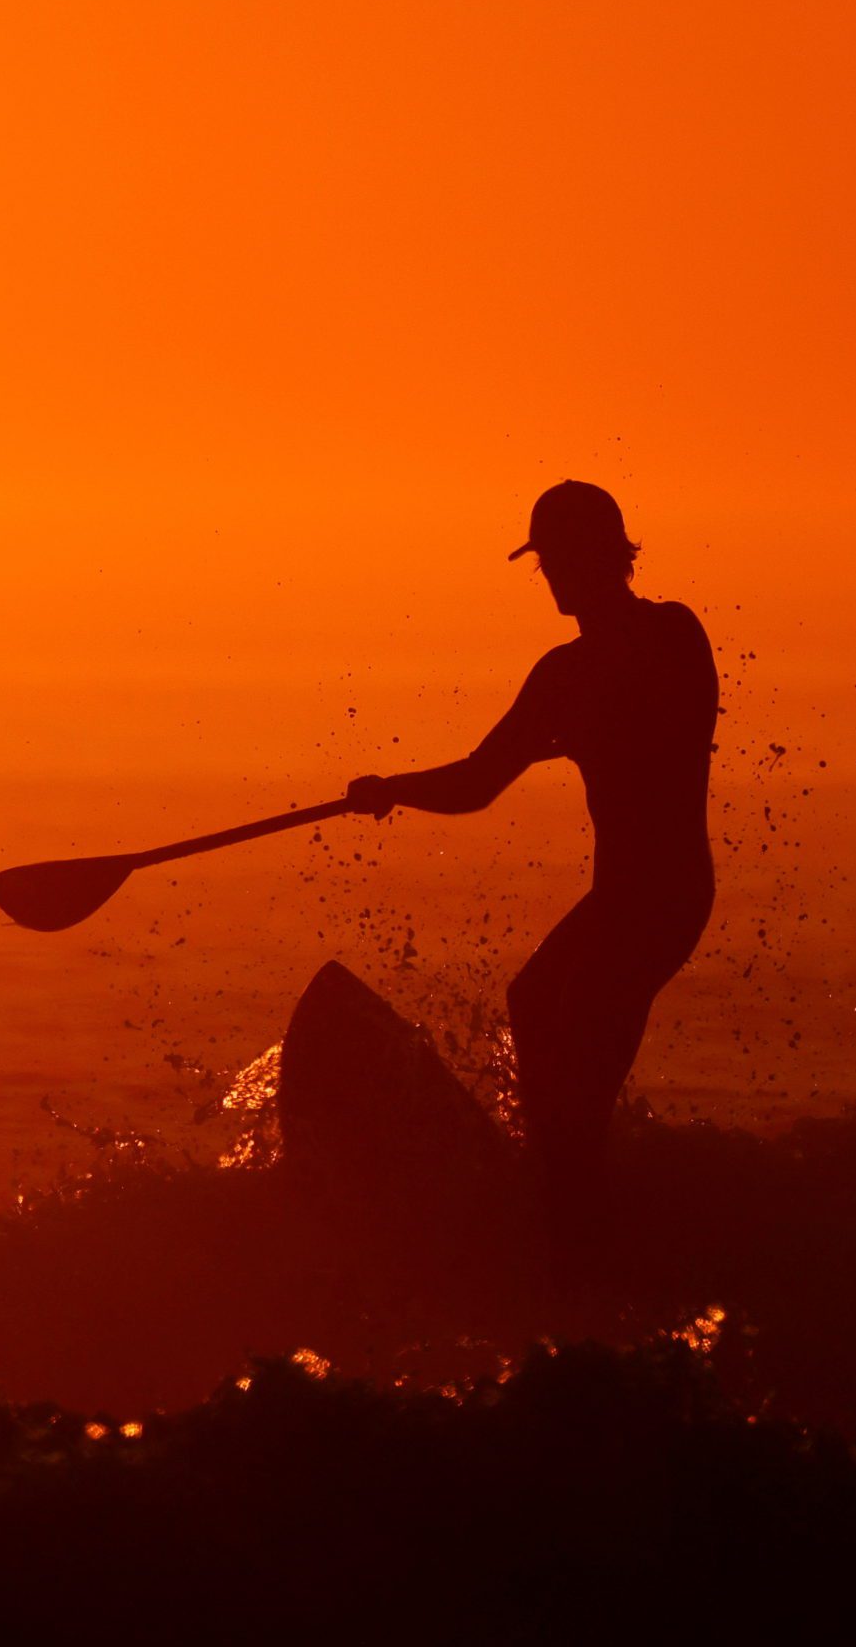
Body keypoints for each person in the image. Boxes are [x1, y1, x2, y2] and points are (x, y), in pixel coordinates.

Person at [345, 481, 716, 1279]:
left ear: (602, 558)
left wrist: (595, 724)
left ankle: (577, 1230)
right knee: (538, 1011)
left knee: (561, 1035)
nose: (549, 578)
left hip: (664, 896)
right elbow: (478, 783)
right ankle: (568, 1189)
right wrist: (395, 788)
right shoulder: (564, 675)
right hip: (627, 899)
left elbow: (682, 726)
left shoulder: (670, 634)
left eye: (557, 561)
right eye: (544, 564)